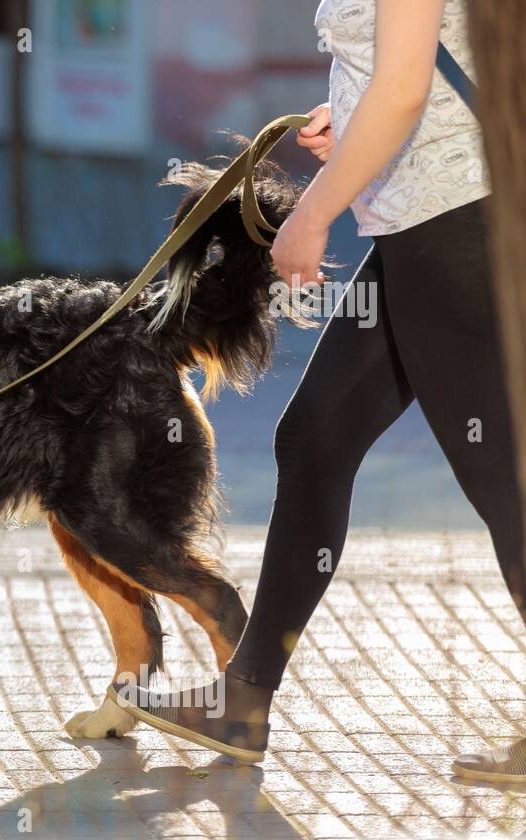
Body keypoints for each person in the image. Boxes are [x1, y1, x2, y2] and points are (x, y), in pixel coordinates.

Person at [121, 0, 526, 783]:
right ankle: (243, 701)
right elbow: (416, 70)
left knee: (505, 484)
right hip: (423, 220)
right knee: (313, 440)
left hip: (453, 223)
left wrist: (312, 214)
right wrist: (350, 111)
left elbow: (407, 89)